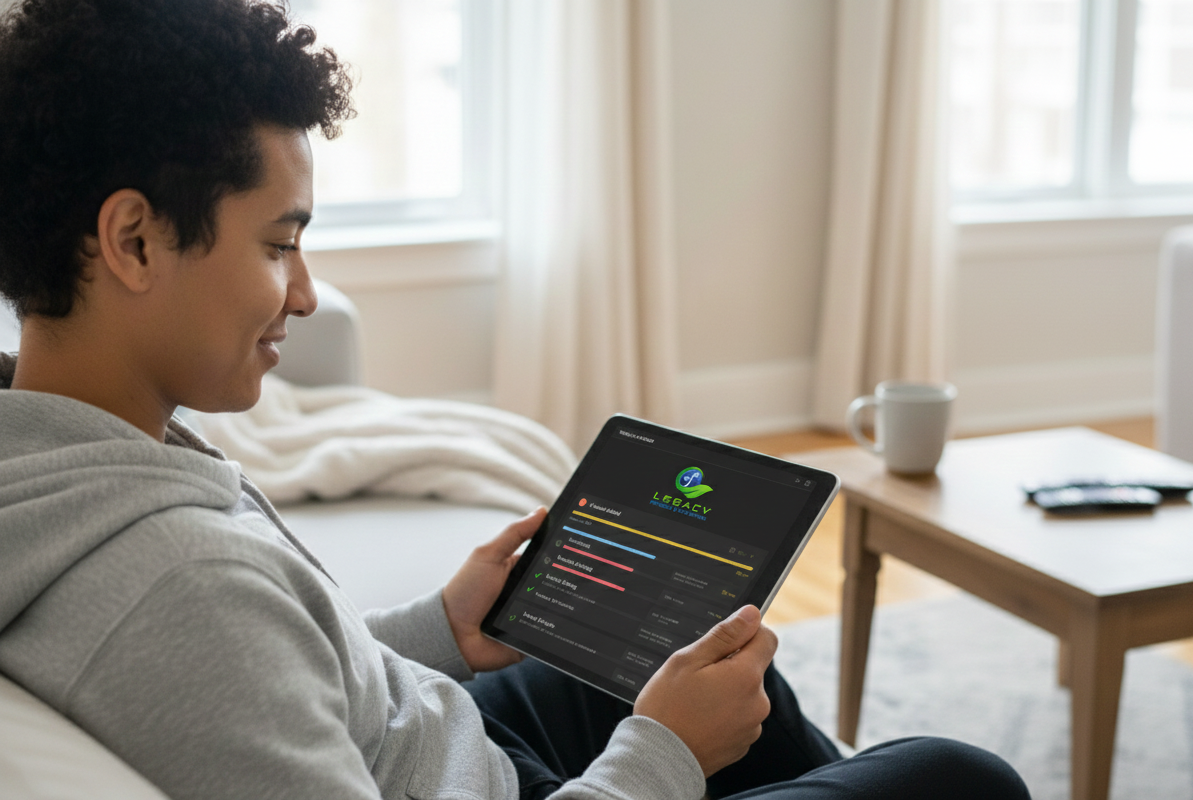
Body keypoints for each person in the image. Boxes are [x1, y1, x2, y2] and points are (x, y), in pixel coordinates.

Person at [0, 1, 1031, 798]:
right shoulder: (170, 585)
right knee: (958, 775)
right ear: (134, 240)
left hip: (454, 747)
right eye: (279, 243)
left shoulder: (63, 461)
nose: (303, 293)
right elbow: (218, 643)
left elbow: (284, 680)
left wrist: (439, 626)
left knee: (696, 671)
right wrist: (662, 753)